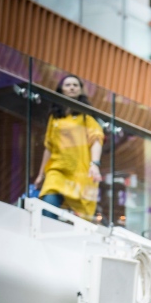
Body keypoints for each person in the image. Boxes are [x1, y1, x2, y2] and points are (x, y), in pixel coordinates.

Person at [34, 74, 104, 220]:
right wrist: (41, 174)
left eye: (75, 85)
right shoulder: (55, 117)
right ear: (61, 89)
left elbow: (96, 139)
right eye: (68, 85)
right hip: (57, 171)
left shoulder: (86, 116)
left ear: (80, 90)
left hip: (80, 173)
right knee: (47, 209)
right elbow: (49, 147)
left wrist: (95, 164)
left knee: (82, 220)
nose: (72, 87)